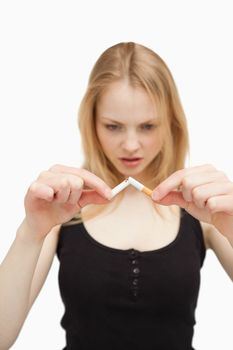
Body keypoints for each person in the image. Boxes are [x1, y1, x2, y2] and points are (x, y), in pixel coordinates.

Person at [0, 41, 233, 350]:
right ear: (92, 123)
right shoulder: (62, 209)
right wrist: (30, 232)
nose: (131, 145)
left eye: (148, 126)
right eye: (113, 127)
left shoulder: (201, 213)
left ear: (171, 123)